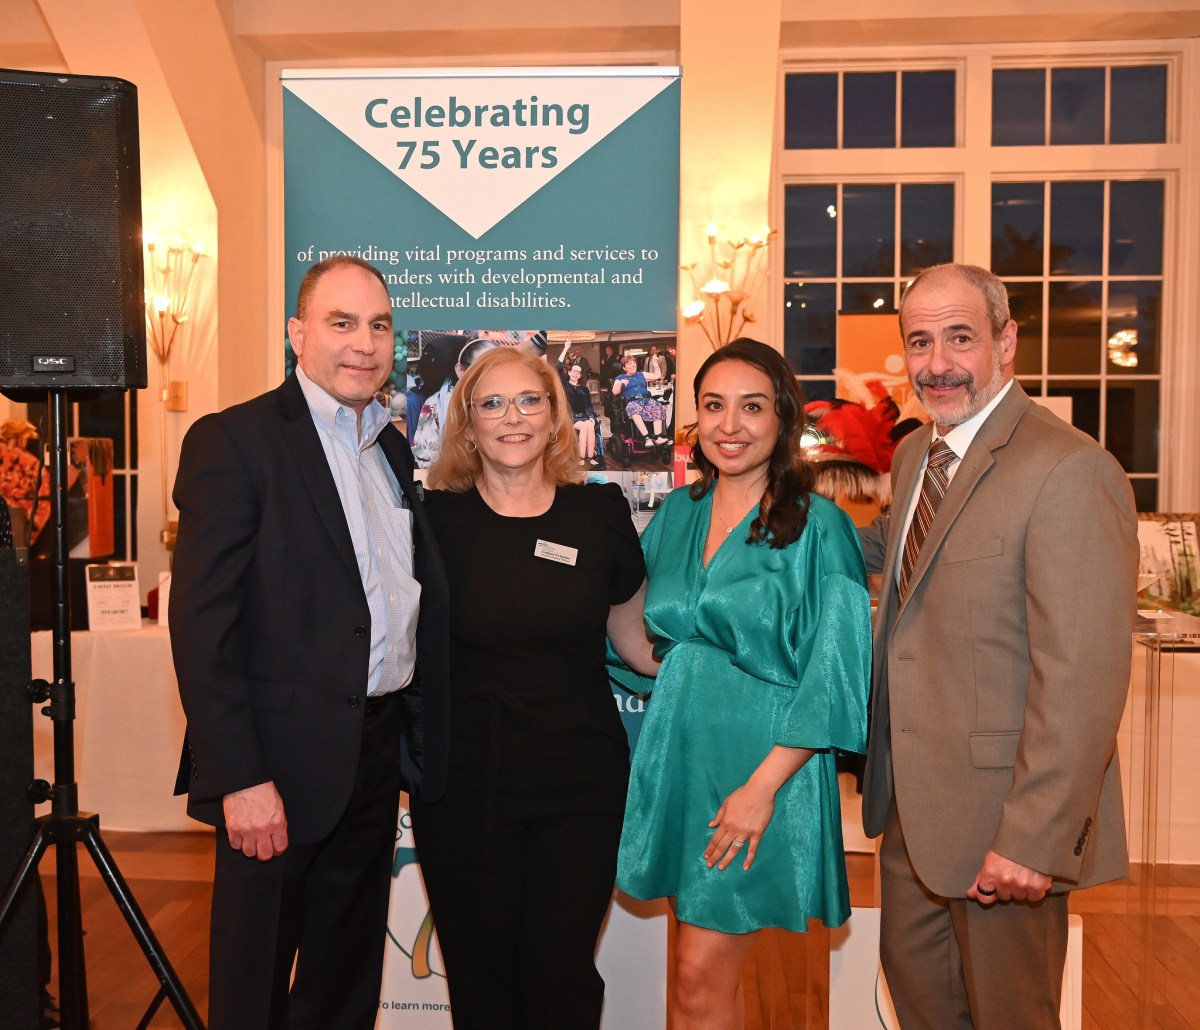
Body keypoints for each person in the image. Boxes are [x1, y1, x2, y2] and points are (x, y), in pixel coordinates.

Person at [169, 255, 449, 1030]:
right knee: (255, 989)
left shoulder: (390, 449)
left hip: (371, 756)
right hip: (275, 768)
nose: (365, 343)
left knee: (345, 982)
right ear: (298, 334)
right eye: (342, 322)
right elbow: (201, 624)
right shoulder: (237, 441)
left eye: (380, 325)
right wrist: (240, 777)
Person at [859, 263, 1139, 1028]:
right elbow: (891, 556)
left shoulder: (1070, 469)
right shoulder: (918, 454)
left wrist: (1032, 840)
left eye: (960, 337)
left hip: (1002, 830)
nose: (938, 363)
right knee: (923, 1012)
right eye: (920, 342)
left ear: (1007, 342)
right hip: (912, 822)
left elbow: (1081, 676)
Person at [616, 338, 872, 1028]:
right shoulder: (677, 513)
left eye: (751, 407)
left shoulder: (823, 529)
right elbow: (637, 630)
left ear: (783, 418)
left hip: (763, 769)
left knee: (698, 978)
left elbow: (839, 671)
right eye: (714, 406)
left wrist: (761, 791)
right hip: (678, 756)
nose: (730, 425)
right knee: (696, 983)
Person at [409, 347, 657, 1030]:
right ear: (467, 425)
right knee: (481, 975)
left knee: (561, 976)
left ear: (555, 418)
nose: (512, 417)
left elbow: (636, 643)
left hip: (577, 786)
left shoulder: (599, 514)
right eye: (492, 403)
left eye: (529, 400)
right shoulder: (431, 522)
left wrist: (735, 676)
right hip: (464, 786)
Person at [611, 355, 668, 445]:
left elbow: (658, 375)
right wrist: (621, 384)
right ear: (624, 368)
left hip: (645, 400)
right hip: (632, 401)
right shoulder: (620, 378)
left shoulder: (641, 374)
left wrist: (655, 363)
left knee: (658, 406)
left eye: (634, 363)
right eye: (629, 363)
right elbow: (615, 392)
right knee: (634, 408)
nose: (633, 365)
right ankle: (647, 438)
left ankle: (658, 437)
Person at [556, 352, 600, 466]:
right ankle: (581, 457)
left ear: (580, 375)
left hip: (585, 416)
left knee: (590, 425)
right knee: (585, 426)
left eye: (578, 372)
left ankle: (590, 458)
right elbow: (559, 366)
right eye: (574, 371)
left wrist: (591, 417)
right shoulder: (565, 385)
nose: (575, 373)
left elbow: (589, 405)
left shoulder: (584, 388)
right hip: (571, 417)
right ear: (569, 372)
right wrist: (566, 348)